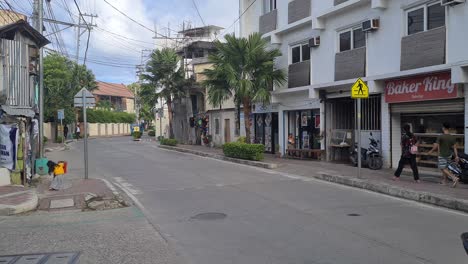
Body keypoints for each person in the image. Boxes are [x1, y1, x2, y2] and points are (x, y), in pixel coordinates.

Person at [428, 122, 460, 187]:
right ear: (449, 128)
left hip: (442, 154)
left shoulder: (440, 136)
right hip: (449, 154)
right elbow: (455, 147)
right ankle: (444, 181)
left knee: (443, 168)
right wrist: (456, 156)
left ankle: (454, 178)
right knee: (445, 168)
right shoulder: (452, 137)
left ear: (443, 128)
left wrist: (430, 151)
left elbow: (436, 146)